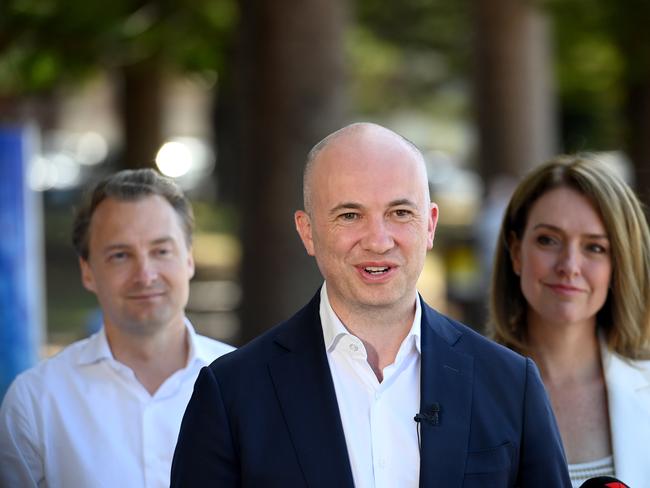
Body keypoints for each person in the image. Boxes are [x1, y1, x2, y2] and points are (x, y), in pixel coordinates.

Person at [171, 122, 571, 487]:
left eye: (399, 212)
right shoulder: (231, 394)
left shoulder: (510, 384)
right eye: (350, 215)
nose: (378, 240)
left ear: (429, 225)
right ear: (307, 233)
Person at [0, 169, 234, 488]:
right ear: (88, 272)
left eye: (161, 251)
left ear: (188, 259)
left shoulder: (248, 386)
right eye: (121, 255)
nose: (145, 274)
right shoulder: (35, 402)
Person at [489, 155, 650, 487]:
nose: (569, 265)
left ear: (618, 265)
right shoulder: (461, 389)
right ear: (516, 252)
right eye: (548, 240)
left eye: (595, 247)